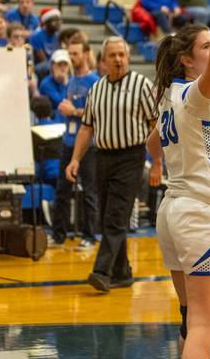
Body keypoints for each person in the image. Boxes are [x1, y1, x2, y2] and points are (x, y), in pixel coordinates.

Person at [144, 0, 210, 357]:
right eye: (207, 45)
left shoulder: (170, 96)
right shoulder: (199, 95)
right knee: (203, 325)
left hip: (172, 213)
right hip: (203, 214)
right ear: (187, 60)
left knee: (189, 319)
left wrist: (157, 165)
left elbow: (152, 143)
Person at [66, 36, 157, 291]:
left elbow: (155, 125)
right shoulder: (96, 89)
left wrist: (158, 162)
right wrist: (75, 159)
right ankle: (122, 272)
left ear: (128, 57)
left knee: (116, 216)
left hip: (132, 156)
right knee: (109, 214)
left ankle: (101, 272)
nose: (118, 59)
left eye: (122, 55)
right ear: (103, 60)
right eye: (113, 55)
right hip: (102, 157)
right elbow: (86, 128)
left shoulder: (142, 85)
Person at [51, 36, 99, 248]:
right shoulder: (71, 81)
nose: (72, 58)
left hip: (88, 144)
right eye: (69, 53)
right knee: (62, 190)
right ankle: (59, 235)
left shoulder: (95, 82)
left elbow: (97, 115)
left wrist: (75, 111)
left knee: (89, 191)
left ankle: (89, 236)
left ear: (86, 54)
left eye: (75, 53)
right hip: (68, 141)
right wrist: (66, 109)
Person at [39, 49, 70, 117]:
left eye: (65, 64)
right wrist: (64, 83)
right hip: (52, 121)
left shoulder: (72, 81)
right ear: (53, 66)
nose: (63, 68)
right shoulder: (46, 84)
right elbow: (61, 103)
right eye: (59, 64)